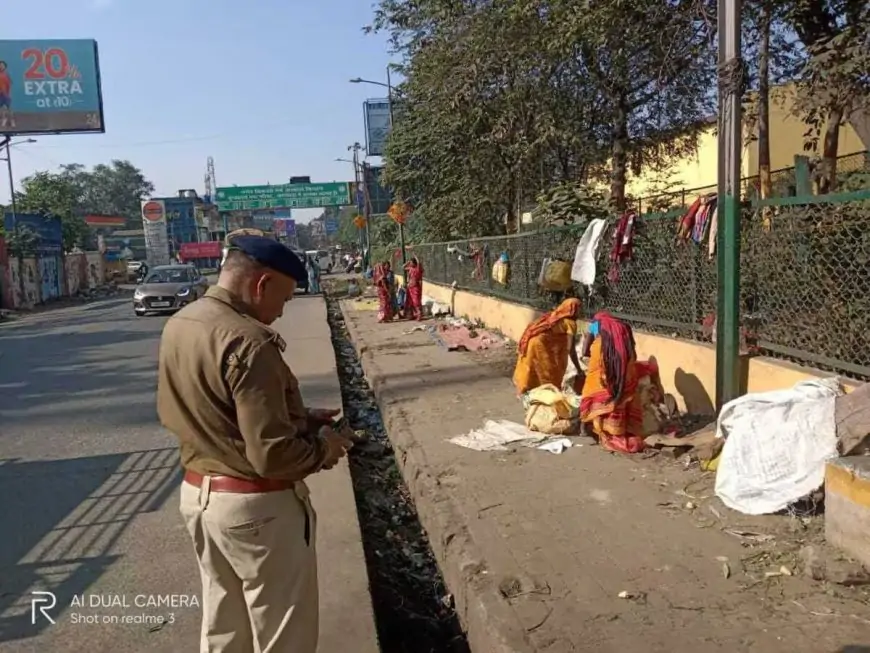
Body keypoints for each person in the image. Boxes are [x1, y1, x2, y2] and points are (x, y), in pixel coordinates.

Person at [157, 235, 354, 653]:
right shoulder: (250, 339)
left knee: (224, 628)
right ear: (262, 284)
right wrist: (325, 448)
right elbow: (272, 455)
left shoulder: (183, 321)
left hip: (199, 497)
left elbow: (212, 412)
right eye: (283, 299)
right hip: (256, 512)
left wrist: (299, 419)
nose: (282, 313)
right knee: (284, 636)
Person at [578, 311, 648, 454]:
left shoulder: (596, 324)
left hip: (602, 366)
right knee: (622, 395)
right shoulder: (623, 327)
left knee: (591, 393)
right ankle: (620, 429)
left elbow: (585, 349)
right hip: (625, 370)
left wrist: (594, 356)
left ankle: (584, 429)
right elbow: (632, 353)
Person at [512, 298, 583, 396]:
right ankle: (547, 393)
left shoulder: (555, 315)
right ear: (573, 309)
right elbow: (570, 349)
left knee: (532, 368)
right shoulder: (570, 323)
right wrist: (579, 369)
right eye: (579, 308)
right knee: (548, 369)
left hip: (533, 341)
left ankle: (526, 392)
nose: (581, 311)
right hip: (540, 344)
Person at [0, 61, 14, 129]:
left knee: (8, 108)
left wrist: (8, 93)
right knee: (2, 109)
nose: (1, 66)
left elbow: (9, 84)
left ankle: (12, 121)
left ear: (5, 67)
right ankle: (3, 121)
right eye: (0, 65)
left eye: (2, 65)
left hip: (6, 94)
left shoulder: (6, 75)